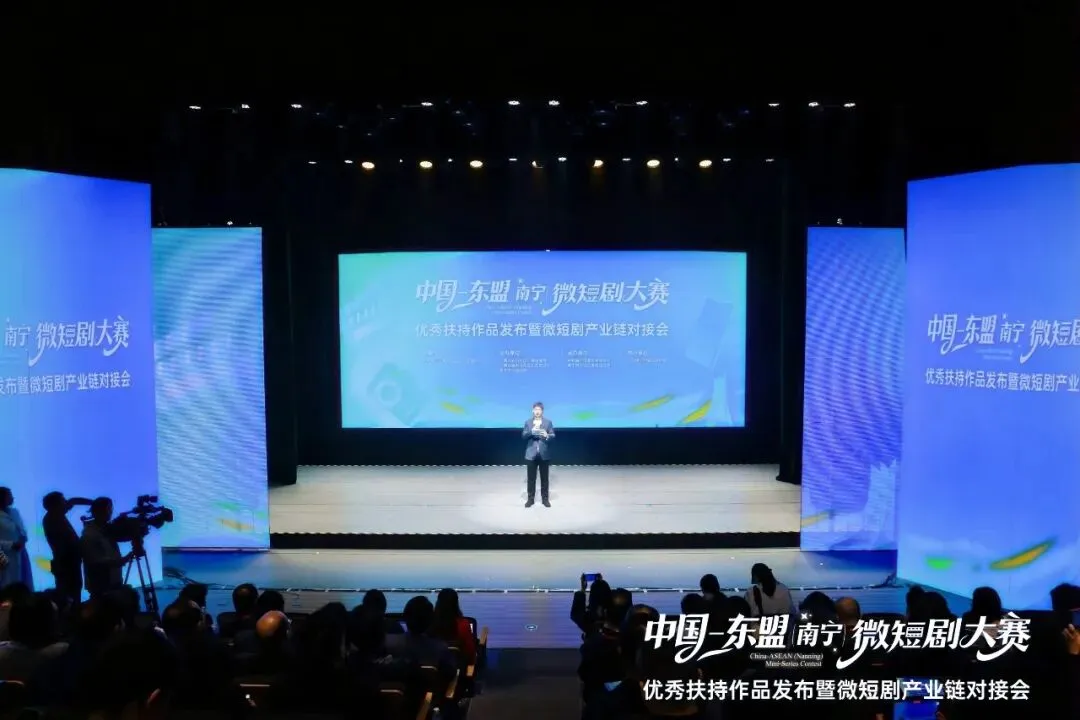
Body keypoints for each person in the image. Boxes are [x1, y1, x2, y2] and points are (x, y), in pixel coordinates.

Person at [42, 492, 92, 604]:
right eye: (63, 501)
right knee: (69, 594)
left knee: (72, 591)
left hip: (66, 562)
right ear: (56, 505)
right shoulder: (53, 519)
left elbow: (73, 500)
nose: (66, 503)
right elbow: (67, 543)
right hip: (66, 563)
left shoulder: (54, 516)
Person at [80, 497, 132, 599]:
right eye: (108, 509)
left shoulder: (105, 529)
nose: (110, 512)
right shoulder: (90, 534)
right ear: (98, 511)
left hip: (112, 582)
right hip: (101, 586)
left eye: (110, 509)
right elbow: (98, 562)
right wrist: (124, 559)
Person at [522, 401, 555, 507]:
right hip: (531, 454)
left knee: (544, 479)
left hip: (544, 454)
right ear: (533, 410)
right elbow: (523, 436)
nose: (537, 411)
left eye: (539, 409)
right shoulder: (528, 422)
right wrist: (531, 431)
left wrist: (547, 435)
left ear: (542, 411)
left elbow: (553, 435)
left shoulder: (548, 422)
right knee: (531, 479)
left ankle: (545, 499)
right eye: (535, 409)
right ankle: (530, 499)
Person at [0, 487, 33, 590]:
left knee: (23, 582)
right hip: (4, 554)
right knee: (7, 584)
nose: (12, 498)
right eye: (9, 495)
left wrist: (23, 539)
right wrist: (11, 545)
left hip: (20, 552)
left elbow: (22, 529)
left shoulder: (15, 512)